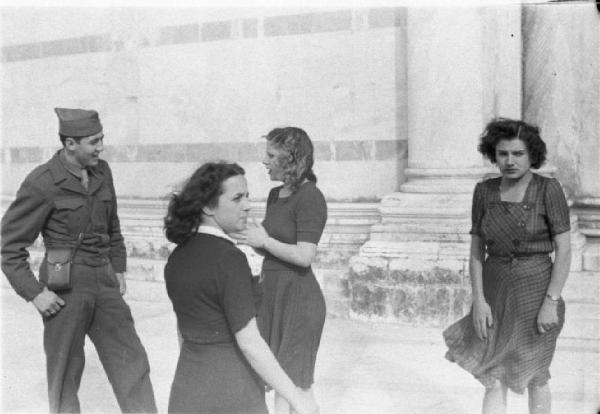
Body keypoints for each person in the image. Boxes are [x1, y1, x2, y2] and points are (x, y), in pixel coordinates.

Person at [1, 108, 157, 413]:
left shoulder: (103, 171)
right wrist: (34, 293)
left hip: (104, 279)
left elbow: (113, 223)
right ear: (70, 144)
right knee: (65, 374)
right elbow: (8, 246)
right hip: (64, 287)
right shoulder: (42, 182)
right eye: (93, 141)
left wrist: (119, 265)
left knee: (132, 362)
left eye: (101, 139)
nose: (101, 147)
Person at [163, 162, 319, 414]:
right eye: (237, 198)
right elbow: (250, 343)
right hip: (232, 389)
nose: (247, 205)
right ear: (207, 207)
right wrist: (296, 397)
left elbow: (182, 331)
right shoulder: (228, 259)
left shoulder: (177, 257)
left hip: (187, 387)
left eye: (247, 196)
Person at [443, 118, 572, 414]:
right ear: (493, 154)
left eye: (518, 154)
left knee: (536, 375)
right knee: (493, 376)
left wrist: (551, 301)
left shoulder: (548, 190)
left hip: (536, 294)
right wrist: (479, 301)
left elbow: (564, 250)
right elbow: (476, 250)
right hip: (495, 292)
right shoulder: (484, 191)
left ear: (532, 155)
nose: (510, 161)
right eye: (503, 154)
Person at [238, 127, 328, 414]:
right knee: (281, 383)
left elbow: (304, 255)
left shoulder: (311, 196)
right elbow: (269, 248)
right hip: (273, 297)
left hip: (299, 301)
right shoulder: (275, 195)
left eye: (271, 155)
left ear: (291, 159)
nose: (265, 162)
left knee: (294, 387)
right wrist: (252, 235)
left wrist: (264, 240)